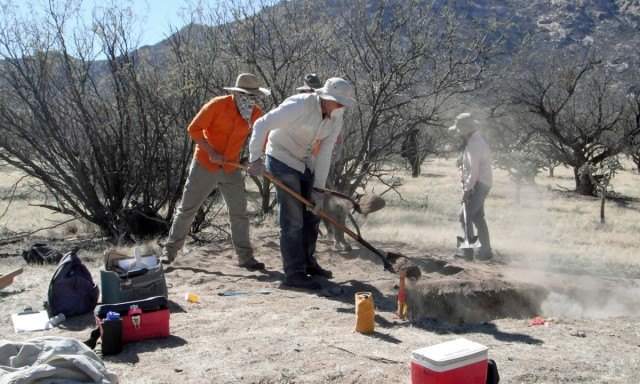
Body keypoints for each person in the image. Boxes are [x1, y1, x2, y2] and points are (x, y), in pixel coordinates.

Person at [247, 77, 357, 289]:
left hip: (306, 161)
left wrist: (318, 190)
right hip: (281, 157)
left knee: (313, 214)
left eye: (343, 103)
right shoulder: (299, 105)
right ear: (325, 97)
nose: (341, 106)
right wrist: (254, 158)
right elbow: (262, 124)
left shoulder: (336, 116)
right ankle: (294, 273)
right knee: (293, 220)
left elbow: (325, 153)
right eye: (338, 102)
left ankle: (308, 263)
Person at [161, 73, 270, 270]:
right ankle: (169, 252)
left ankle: (245, 258)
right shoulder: (217, 105)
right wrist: (211, 152)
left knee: (239, 213)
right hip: (204, 164)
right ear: (238, 93)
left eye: (254, 95)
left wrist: (258, 160)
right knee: (187, 209)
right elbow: (194, 129)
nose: (250, 99)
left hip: (231, 168)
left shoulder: (256, 113)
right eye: (247, 94)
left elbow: (264, 137)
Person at [297, 74, 352, 252]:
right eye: (308, 90)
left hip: (319, 162)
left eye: (314, 89)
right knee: (298, 204)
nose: (311, 93)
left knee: (330, 201)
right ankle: (300, 243)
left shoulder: (331, 112)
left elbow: (335, 138)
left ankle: (338, 238)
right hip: (295, 162)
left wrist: (335, 151)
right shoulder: (299, 108)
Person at [448, 112, 493, 261]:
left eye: (459, 129)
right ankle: (485, 252)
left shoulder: (475, 145)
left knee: (464, 216)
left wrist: (467, 190)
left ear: (465, 129)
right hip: (481, 183)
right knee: (478, 218)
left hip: (478, 184)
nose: (458, 133)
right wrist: (462, 161)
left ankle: (467, 252)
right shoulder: (474, 142)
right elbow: (472, 165)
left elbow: (474, 172)